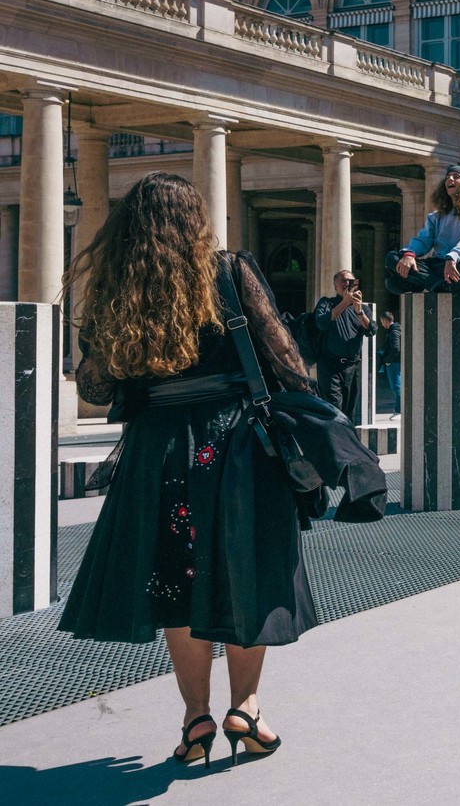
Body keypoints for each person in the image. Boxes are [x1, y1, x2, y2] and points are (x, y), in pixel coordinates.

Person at [58, 172, 311, 768]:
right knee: (246, 569)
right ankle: (244, 708)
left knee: (176, 581)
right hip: (235, 445)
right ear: (195, 221)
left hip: (159, 452)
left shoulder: (121, 287)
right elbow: (289, 363)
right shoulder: (227, 272)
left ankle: (195, 718)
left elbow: (96, 382)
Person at [384, 164, 460, 296]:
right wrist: (409, 254)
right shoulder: (436, 216)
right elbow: (423, 240)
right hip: (441, 266)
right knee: (392, 258)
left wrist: (453, 257)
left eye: (456, 177)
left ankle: (423, 282)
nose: (450, 179)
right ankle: (441, 285)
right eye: (447, 177)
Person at [313, 268, 376, 420]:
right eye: (343, 281)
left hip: (352, 367)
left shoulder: (362, 309)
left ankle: (347, 441)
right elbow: (321, 323)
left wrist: (359, 311)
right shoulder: (326, 303)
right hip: (330, 366)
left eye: (350, 281)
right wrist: (344, 303)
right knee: (334, 409)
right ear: (336, 286)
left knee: (349, 410)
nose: (347, 284)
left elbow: (372, 330)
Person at [377, 310, 402, 417]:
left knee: (396, 387)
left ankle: (399, 410)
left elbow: (396, 349)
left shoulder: (394, 332)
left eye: (382, 321)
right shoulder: (396, 330)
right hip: (395, 363)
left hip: (394, 363)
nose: (381, 324)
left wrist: (387, 361)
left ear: (386, 320)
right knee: (397, 387)